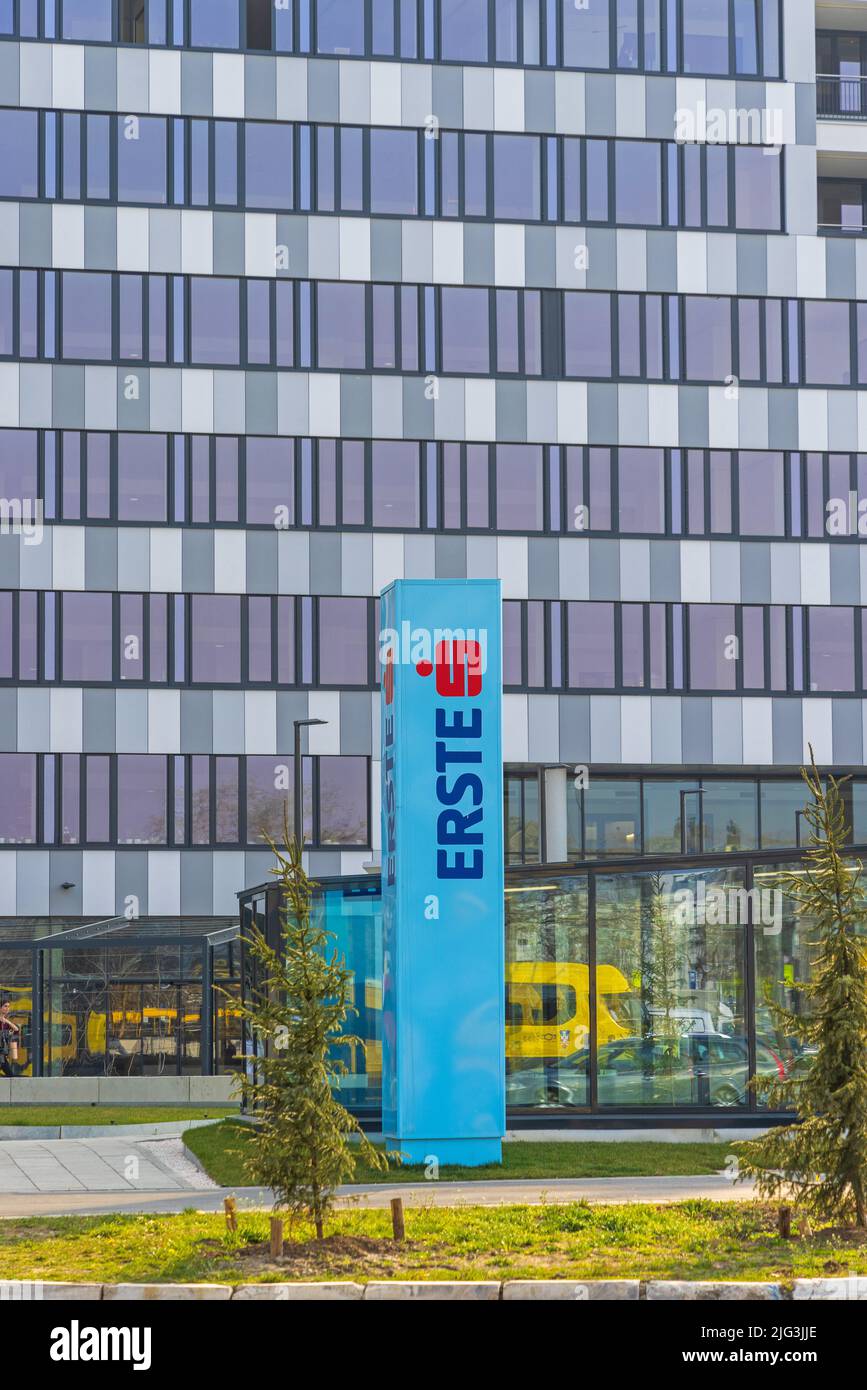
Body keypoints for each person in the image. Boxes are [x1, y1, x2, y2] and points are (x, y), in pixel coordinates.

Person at [0, 999, 20, 1077]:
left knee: (10, 1075)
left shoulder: (6, 1022)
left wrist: (7, 1021)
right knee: (10, 1074)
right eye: (5, 1006)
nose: (7, 1008)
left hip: (2, 1054)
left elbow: (16, 1030)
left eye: (8, 1006)